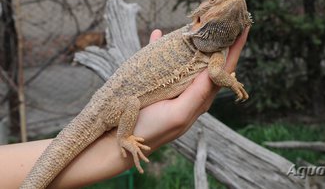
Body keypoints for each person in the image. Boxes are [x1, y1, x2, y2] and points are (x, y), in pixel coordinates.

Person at [0, 27, 249, 188]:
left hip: (108, 107)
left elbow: (216, 72)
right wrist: (122, 138)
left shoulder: (213, 49)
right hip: (111, 108)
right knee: (130, 102)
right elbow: (217, 73)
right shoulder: (194, 37)